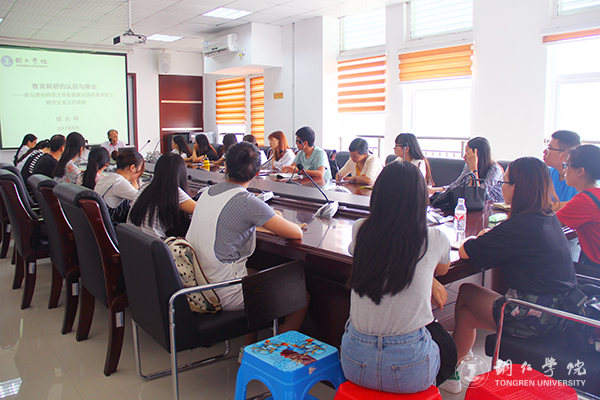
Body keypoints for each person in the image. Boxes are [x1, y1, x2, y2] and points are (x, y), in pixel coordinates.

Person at [445, 157, 577, 393]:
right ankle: (451, 372)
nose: (502, 188)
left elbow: (466, 251)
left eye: (505, 182)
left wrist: (478, 238)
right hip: (561, 311)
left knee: (466, 293)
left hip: (536, 315)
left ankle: (450, 371)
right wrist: (491, 236)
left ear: (518, 188)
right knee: (466, 315)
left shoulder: (521, 225)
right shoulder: (546, 217)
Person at [342, 161, 451, 394]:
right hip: (410, 368)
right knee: (444, 343)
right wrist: (428, 277)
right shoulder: (434, 238)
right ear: (420, 199)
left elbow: (368, 253)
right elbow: (442, 269)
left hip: (354, 362)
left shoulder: (361, 229)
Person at [186, 142, 305, 344]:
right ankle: (275, 353)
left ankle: (247, 348)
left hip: (196, 284)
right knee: (298, 293)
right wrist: (275, 217)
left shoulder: (207, 193)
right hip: (221, 292)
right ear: (257, 172)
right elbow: (295, 233)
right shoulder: (247, 201)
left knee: (255, 275)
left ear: (226, 166)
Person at [128, 153, 196, 239]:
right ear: (181, 173)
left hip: (132, 242)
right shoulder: (173, 191)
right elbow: (200, 210)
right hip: (153, 245)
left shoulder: (145, 187)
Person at [557, 144, 600, 270]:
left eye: (567, 165)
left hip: (595, 270)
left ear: (580, 171)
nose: (564, 170)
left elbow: (548, 225)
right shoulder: (596, 193)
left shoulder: (585, 199)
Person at [429, 137, 504, 203]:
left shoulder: (495, 170)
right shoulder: (468, 166)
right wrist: (433, 190)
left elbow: (478, 194)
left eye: (468, 153)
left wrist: (473, 167)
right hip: (474, 205)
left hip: (492, 208)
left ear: (477, 155)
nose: (464, 156)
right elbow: (456, 185)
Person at [95, 149, 144, 225]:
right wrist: (135, 188)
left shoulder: (109, 177)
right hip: (111, 226)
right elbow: (142, 198)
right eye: (140, 169)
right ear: (132, 168)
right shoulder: (119, 182)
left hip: (100, 224)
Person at [543, 130, 581, 203]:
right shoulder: (547, 173)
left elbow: (576, 205)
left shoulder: (581, 179)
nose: (544, 152)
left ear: (563, 155)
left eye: (549, 148)